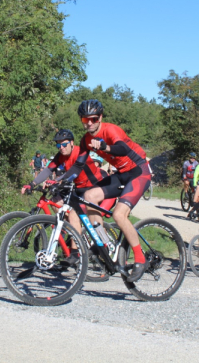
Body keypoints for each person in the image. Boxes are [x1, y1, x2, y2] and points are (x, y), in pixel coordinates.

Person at [61, 99, 152, 282]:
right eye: (85, 120)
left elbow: (123, 148)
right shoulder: (86, 139)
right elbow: (79, 164)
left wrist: (104, 146)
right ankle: (103, 241)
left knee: (119, 215)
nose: (89, 123)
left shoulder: (110, 130)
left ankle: (140, 259)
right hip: (122, 174)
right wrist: (62, 180)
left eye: (93, 119)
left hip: (139, 171)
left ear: (100, 117)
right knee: (89, 196)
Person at [21, 129, 111, 263]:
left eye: (64, 144)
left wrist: (57, 181)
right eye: (58, 145)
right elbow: (48, 169)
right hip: (79, 188)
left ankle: (77, 252)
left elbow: (74, 172)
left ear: (72, 143)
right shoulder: (60, 155)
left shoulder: (80, 153)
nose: (61, 148)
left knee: (75, 214)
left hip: (95, 187)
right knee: (56, 203)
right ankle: (73, 233)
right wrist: (32, 183)